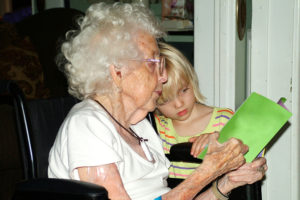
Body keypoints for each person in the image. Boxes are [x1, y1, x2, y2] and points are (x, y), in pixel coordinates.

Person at [48, 2, 263, 200]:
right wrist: (207, 172)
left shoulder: (140, 127)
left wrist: (226, 183)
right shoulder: (87, 126)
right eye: (153, 64)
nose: (163, 76)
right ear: (118, 73)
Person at [155, 42, 267, 193]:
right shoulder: (157, 128)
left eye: (184, 90)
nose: (179, 104)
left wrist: (220, 141)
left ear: (192, 80)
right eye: (166, 100)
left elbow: (254, 156)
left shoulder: (223, 119)